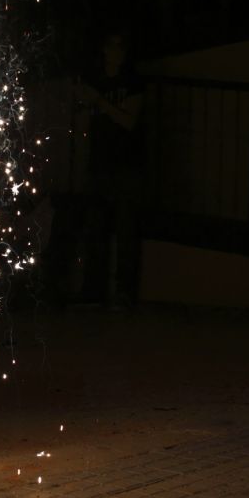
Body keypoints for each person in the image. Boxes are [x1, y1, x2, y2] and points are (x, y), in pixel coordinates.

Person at [75, 27, 145, 309]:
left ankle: (124, 292)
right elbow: (83, 120)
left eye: (120, 47)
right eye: (111, 45)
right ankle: (94, 290)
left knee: (126, 231)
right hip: (99, 163)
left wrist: (98, 101)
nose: (115, 52)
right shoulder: (96, 80)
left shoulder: (132, 82)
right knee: (96, 229)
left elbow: (129, 121)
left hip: (126, 165)